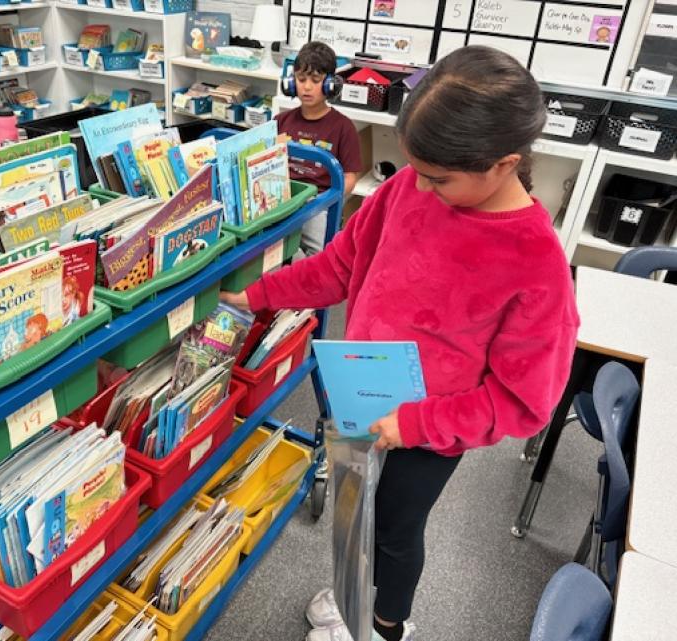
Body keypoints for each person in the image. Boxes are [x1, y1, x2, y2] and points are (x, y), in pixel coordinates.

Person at [222, 45, 580, 641]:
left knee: (394, 527)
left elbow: (523, 402)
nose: (424, 187)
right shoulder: (407, 188)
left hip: (433, 426)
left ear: (503, 164)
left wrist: (413, 426)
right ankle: (350, 598)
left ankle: (385, 626)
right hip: (359, 385)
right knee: (349, 509)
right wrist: (260, 294)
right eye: (418, 170)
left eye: (440, 178)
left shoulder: (537, 265)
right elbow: (339, 266)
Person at [277, 41, 362, 255]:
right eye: (301, 79)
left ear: (331, 84)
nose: (306, 87)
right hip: (283, 200)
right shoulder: (280, 121)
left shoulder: (343, 127)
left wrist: (328, 201)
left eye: (315, 81)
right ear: (291, 81)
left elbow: (350, 177)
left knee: (316, 255)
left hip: (319, 204)